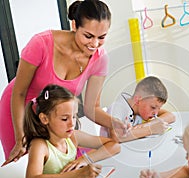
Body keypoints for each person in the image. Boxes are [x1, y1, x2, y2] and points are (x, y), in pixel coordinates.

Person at [0, 0, 126, 166]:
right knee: (24, 169)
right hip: (17, 109)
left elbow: (91, 108)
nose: (94, 44)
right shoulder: (41, 43)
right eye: (88, 36)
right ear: (74, 25)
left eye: (101, 37)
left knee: (60, 167)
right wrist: (20, 137)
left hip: (52, 116)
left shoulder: (100, 59)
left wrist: (115, 123)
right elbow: (19, 93)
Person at [24, 84, 120, 178]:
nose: (72, 124)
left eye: (74, 116)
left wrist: (84, 159)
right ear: (45, 118)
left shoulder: (73, 136)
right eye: (64, 119)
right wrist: (77, 175)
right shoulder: (40, 146)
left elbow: (114, 145)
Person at [100, 76, 176, 142]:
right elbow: (117, 136)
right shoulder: (118, 107)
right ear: (138, 100)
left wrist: (148, 124)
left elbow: (171, 116)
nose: (156, 113)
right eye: (153, 107)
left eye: (159, 109)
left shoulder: (140, 110)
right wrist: (150, 129)